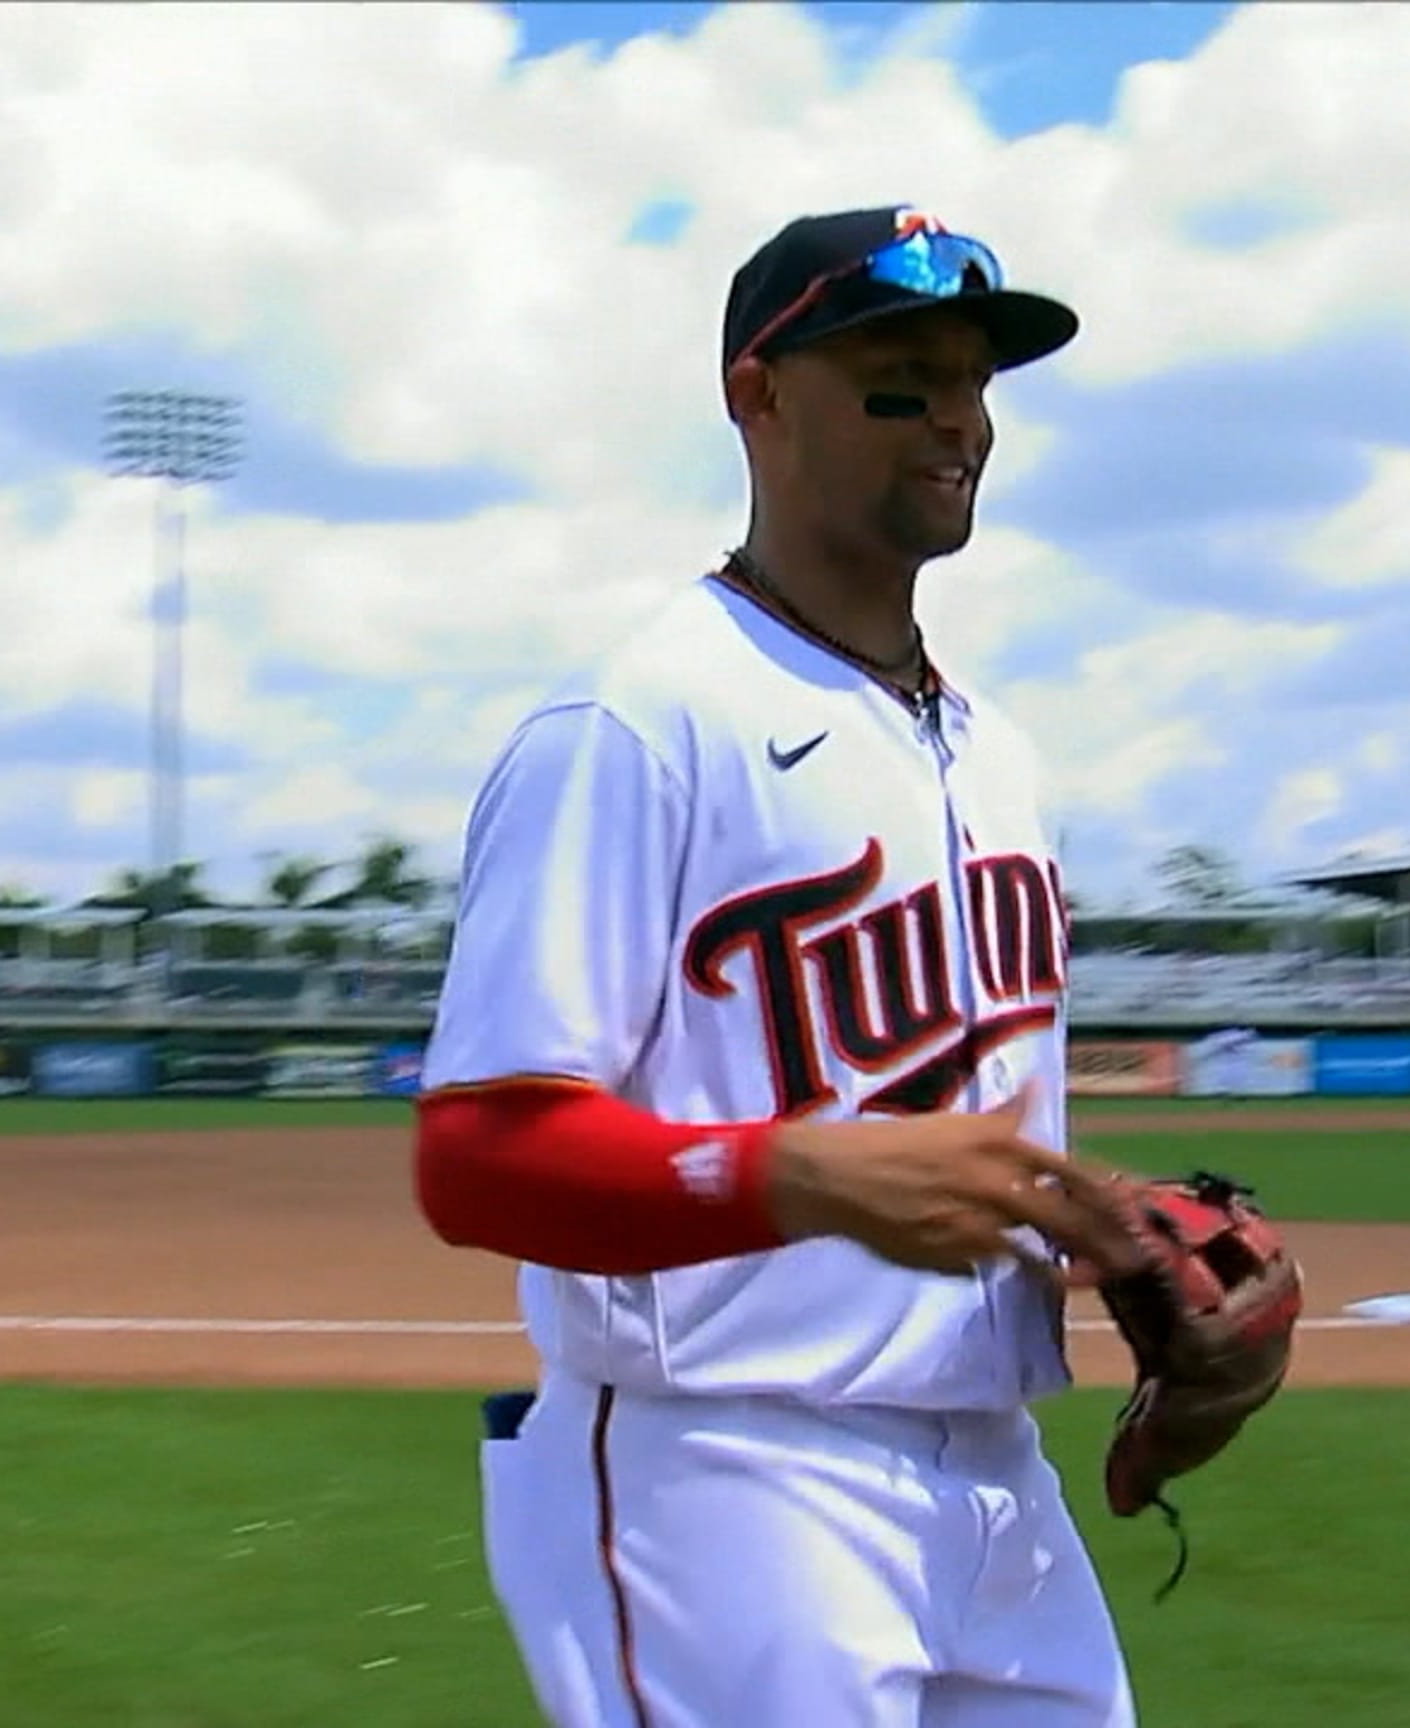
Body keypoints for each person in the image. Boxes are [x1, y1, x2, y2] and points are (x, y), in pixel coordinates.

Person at [413, 205, 1155, 1726]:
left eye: (974, 381)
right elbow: (477, 1159)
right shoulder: (638, 724)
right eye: (901, 377)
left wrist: (1118, 1246)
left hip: (999, 1475)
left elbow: (949, 1142)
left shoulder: (998, 754)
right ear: (758, 394)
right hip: (731, 1476)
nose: (957, 418)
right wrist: (794, 1177)